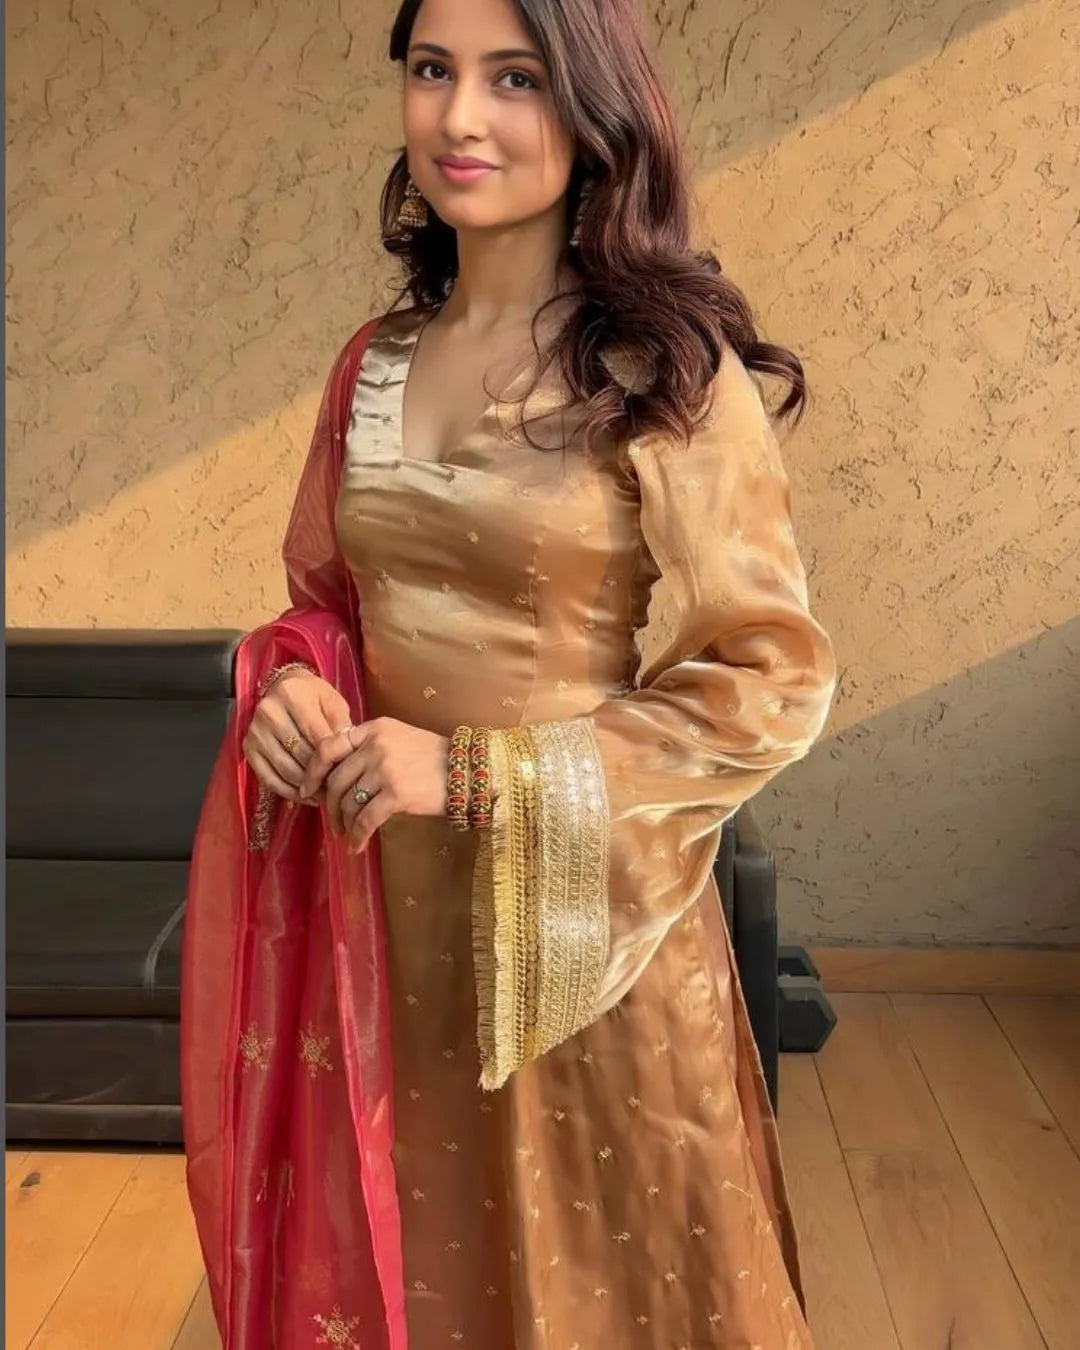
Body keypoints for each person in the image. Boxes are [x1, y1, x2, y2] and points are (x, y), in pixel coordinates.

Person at [182, 0, 837, 1346]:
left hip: (579, 935)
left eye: (515, 79)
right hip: (387, 930)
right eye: (432, 71)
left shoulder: (662, 373)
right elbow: (329, 610)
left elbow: (769, 678)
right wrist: (295, 689)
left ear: (593, 108)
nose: (460, 118)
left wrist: (473, 767)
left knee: (606, 1290)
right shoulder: (372, 366)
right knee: (418, 1272)